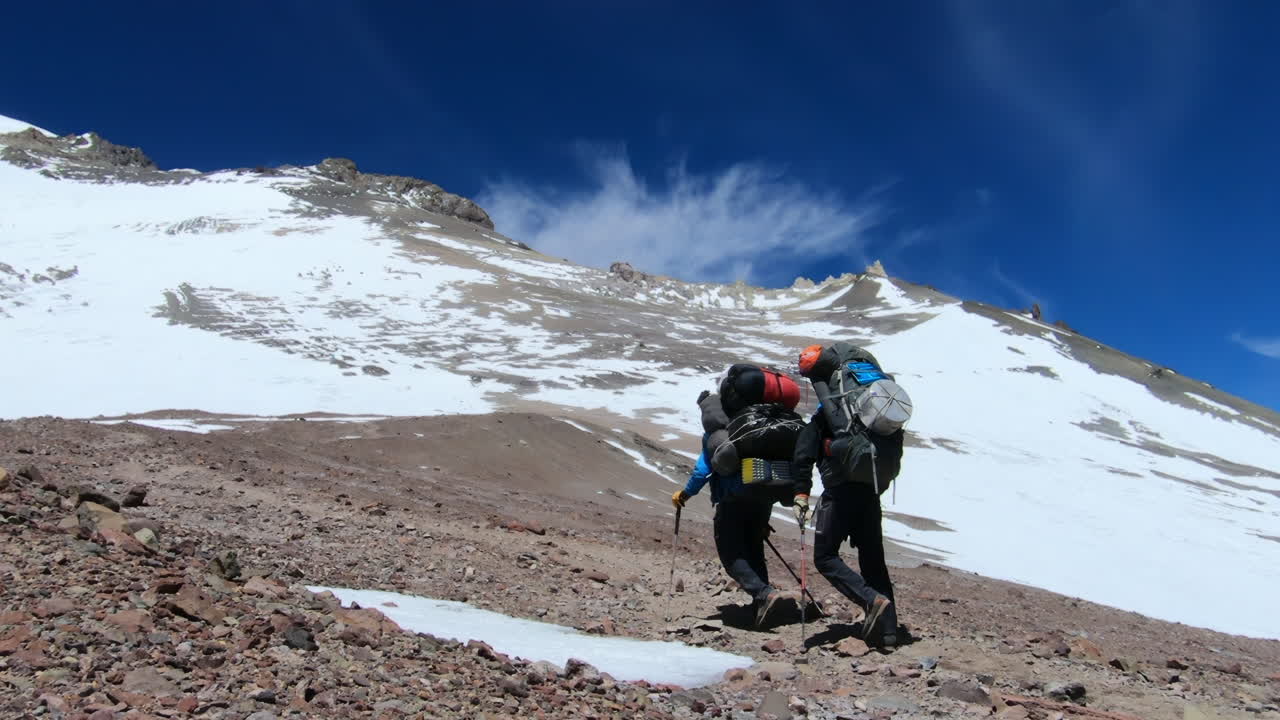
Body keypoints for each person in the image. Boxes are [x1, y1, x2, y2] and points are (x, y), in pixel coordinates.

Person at [791, 344, 906, 648]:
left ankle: (872, 602)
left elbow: (803, 454)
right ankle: (889, 632)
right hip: (870, 492)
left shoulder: (826, 416)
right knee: (873, 561)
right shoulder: (867, 417)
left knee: (825, 557)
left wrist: (801, 494)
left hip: (839, 492)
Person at [672, 394, 786, 628]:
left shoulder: (718, 435)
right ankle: (761, 601)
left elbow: (702, 470)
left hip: (733, 497)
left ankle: (764, 594)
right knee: (754, 546)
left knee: (730, 552)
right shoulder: (756, 425)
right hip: (763, 495)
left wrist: (685, 494)